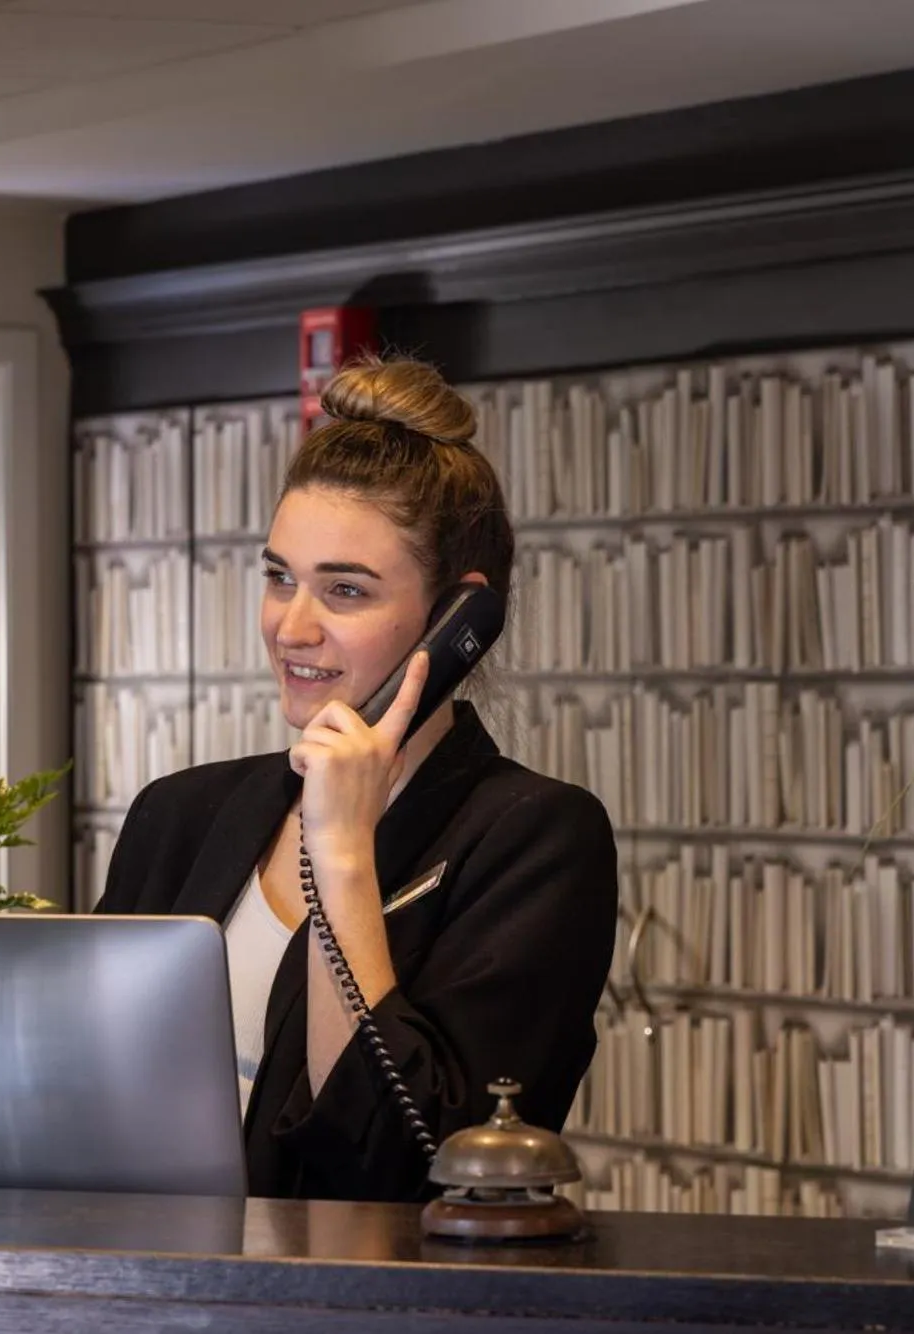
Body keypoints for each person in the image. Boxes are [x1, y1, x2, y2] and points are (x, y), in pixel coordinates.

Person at [97, 356, 618, 1203]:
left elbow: (415, 1165)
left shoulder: (535, 837)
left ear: (459, 619)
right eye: (278, 579)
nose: (291, 628)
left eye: (344, 590)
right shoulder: (179, 814)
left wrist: (341, 853)